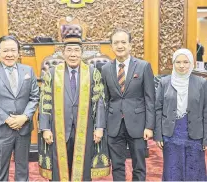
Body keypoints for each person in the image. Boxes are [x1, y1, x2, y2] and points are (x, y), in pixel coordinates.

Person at [38, 32, 106, 181]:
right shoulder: (53, 73)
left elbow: (99, 101)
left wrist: (99, 127)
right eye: (69, 50)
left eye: (76, 50)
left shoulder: (92, 73)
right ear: (63, 53)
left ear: (82, 53)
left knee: (82, 168)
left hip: (85, 128)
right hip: (59, 128)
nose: (73, 54)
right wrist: (45, 128)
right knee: (59, 167)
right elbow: (45, 101)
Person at [0, 35, 39, 181]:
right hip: (1, 129)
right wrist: (7, 119)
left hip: (23, 128)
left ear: (19, 52)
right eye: (5, 50)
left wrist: (24, 117)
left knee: (22, 170)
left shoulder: (28, 70)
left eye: (13, 50)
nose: (10, 54)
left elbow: (35, 97)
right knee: (0, 170)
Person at [101, 29, 155, 181]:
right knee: (117, 166)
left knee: (139, 165)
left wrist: (149, 126)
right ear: (111, 46)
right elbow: (104, 100)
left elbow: (150, 98)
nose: (120, 46)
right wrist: (103, 125)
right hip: (114, 124)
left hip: (138, 124)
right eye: (116, 42)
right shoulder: (105, 69)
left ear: (130, 45)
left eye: (123, 42)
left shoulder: (144, 67)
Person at [154, 48, 207, 181]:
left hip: (195, 136)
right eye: (178, 62)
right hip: (171, 135)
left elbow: (205, 110)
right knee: (172, 170)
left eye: (186, 62)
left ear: (191, 63)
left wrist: (206, 137)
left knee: (194, 170)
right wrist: (158, 135)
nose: (182, 66)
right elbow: (158, 109)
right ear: (173, 63)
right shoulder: (164, 82)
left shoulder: (201, 83)